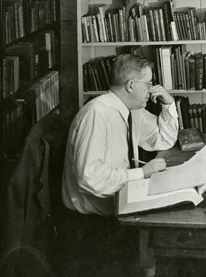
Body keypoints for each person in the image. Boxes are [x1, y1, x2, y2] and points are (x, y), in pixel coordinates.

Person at [62, 53, 179, 216]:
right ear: (131, 85)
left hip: (123, 202)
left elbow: (164, 139)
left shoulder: (132, 111)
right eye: (148, 84)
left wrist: (168, 104)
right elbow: (89, 178)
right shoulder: (97, 114)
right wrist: (142, 173)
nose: (151, 90)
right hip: (94, 218)